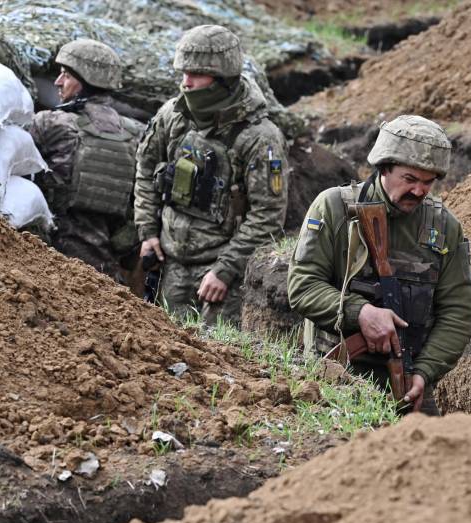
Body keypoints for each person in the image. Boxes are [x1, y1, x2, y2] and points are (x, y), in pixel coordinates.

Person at [287, 115, 471, 415]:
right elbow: (302, 286)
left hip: (409, 383)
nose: (419, 191)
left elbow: (458, 313)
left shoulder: (445, 228)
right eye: (410, 179)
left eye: (428, 182)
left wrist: (424, 373)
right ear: (383, 168)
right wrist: (359, 312)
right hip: (334, 379)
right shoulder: (334, 208)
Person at [133, 24, 288, 325]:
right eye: (183, 73)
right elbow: (145, 171)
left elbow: (268, 215)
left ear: (222, 80)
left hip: (223, 276)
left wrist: (225, 269)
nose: (186, 83)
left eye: (195, 75)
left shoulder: (259, 138)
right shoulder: (172, 116)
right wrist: (147, 232)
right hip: (170, 264)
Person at [30, 38, 144, 283]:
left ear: (85, 83)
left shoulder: (52, 123)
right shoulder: (137, 133)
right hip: (107, 271)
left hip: (52, 258)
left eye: (66, 75)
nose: (58, 82)